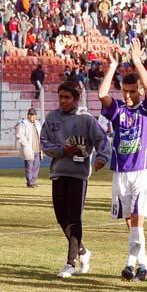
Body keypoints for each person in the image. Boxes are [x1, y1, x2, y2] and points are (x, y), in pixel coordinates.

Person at [98, 38, 147, 281]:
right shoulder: (118, 110)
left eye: (134, 91)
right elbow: (102, 93)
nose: (129, 95)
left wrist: (137, 62)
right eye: (125, 91)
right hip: (121, 171)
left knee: (137, 218)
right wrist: (112, 66)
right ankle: (143, 265)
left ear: (140, 91)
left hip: (143, 171)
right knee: (130, 221)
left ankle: (129, 263)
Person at [40, 81, 111, 278]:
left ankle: (70, 263)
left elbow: (102, 140)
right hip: (58, 173)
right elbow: (44, 142)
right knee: (61, 219)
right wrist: (62, 150)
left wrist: (101, 158)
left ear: (76, 99)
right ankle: (82, 251)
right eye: (60, 96)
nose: (63, 101)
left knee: (74, 219)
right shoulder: (52, 117)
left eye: (67, 97)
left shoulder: (86, 119)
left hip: (78, 175)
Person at [15, 108, 42, 188]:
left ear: (35, 116)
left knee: (36, 166)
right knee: (29, 166)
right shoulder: (23, 123)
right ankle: (29, 182)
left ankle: (33, 181)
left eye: (33, 115)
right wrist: (26, 145)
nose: (31, 116)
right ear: (28, 115)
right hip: (29, 148)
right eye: (30, 115)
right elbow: (19, 135)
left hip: (37, 148)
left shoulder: (38, 123)